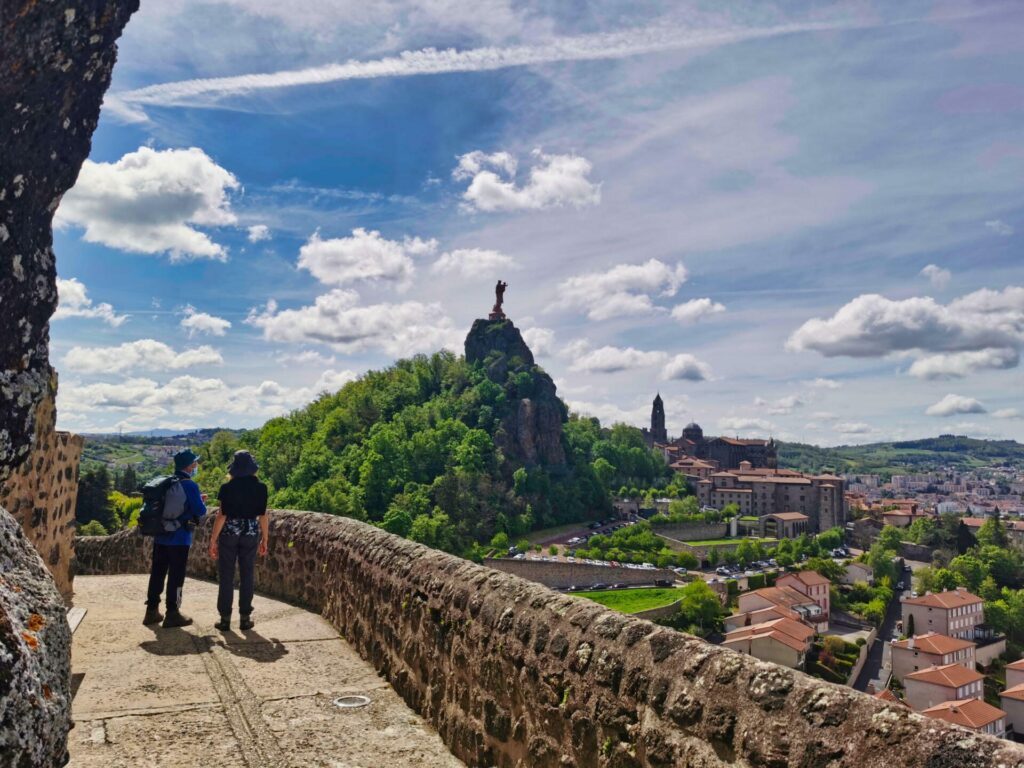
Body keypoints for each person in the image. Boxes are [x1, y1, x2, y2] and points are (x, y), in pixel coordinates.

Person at [144, 449, 207, 628]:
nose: (196, 466)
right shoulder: (189, 485)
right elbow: (200, 511)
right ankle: (173, 612)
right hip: (180, 538)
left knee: (157, 573)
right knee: (176, 575)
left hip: (160, 536)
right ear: (189, 466)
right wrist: (201, 501)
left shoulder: (165, 483)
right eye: (195, 463)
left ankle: (151, 611)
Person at [209, 450, 269, 631]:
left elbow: (221, 516)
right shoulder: (261, 488)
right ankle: (245, 618)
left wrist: (213, 539)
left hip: (229, 534)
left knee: (226, 575)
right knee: (247, 574)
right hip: (250, 533)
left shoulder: (227, 488)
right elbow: (263, 515)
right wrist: (265, 538)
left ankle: (225, 619)